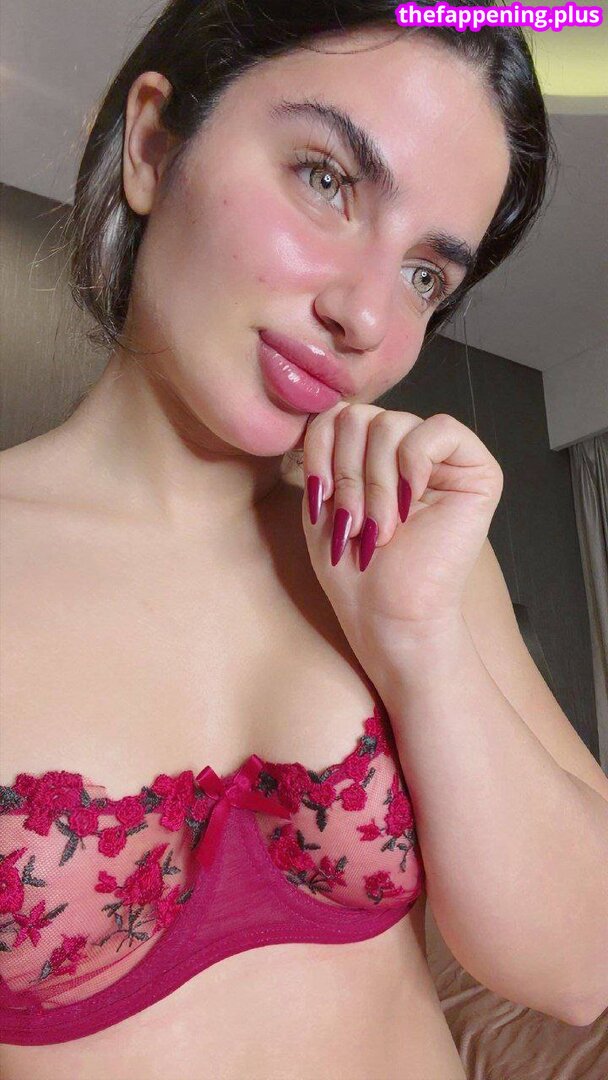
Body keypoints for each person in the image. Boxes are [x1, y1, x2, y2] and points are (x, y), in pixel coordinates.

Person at [1, 1, 569, 1077]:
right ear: (152, 145)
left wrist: (418, 641)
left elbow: (577, 966)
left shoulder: (405, 545)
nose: (368, 316)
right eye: (326, 180)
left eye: (425, 276)